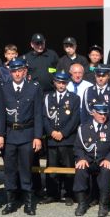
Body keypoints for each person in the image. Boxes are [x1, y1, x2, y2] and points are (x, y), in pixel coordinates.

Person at [0, 57, 43, 215]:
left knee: (25, 169)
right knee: (9, 170)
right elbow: (1, 113)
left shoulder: (34, 88)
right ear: (10, 72)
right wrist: (0, 134)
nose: (17, 74)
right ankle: (10, 202)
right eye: (14, 71)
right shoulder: (4, 87)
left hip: (27, 134)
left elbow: (38, 114)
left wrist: (37, 137)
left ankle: (28, 203)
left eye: (20, 70)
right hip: (9, 135)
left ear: (25, 71)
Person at [72, 102, 110, 217]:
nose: (102, 116)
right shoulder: (83, 128)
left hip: (104, 160)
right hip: (88, 160)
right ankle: (82, 203)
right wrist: (81, 158)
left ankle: (103, 204)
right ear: (93, 113)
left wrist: (109, 159)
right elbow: (77, 147)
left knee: (105, 171)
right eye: (99, 113)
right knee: (80, 169)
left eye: (105, 113)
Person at [40, 69, 81, 204]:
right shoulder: (47, 98)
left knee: (68, 168)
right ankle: (52, 193)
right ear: (54, 83)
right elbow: (44, 117)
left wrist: (63, 133)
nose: (61, 85)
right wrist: (51, 132)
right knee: (52, 167)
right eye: (59, 82)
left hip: (67, 138)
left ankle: (69, 194)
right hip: (52, 138)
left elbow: (75, 119)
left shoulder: (74, 98)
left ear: (67, 83)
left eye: (64, 82)